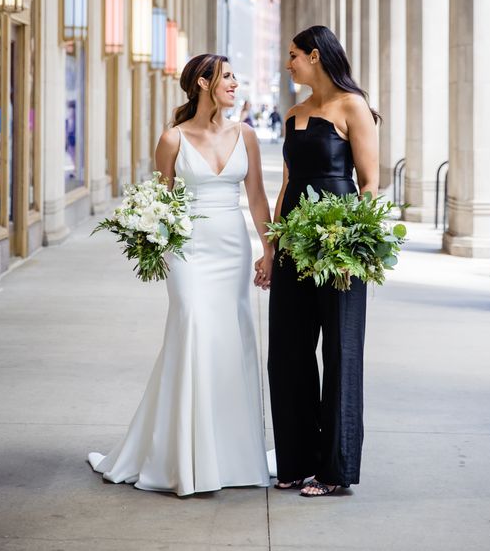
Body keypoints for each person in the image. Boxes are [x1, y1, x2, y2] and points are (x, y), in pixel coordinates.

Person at [88, 54, 275, 496]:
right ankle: (185, 457)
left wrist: (269, 250)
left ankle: (231, 455)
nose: (234, 82)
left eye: (234, 75)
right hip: (188, 251)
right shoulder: (172, 139)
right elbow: (158, 202)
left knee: (231, 337)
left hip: (231, 248)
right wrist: (152, 244)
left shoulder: (245, 134)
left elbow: (258, 200)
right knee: (191, 326)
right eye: (227, 76)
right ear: (204, 83)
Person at [260, 25, 379, 497]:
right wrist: (271, 247)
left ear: (314, 55)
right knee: (286, 354)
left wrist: (355, 246)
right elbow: (287, 187)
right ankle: (294, 461)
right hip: (292, 244)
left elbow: (369, 184)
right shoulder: (292, 115)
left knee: (341, 353)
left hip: (339, 247)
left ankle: (334, 470)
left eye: (292, 56)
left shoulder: (354, 108)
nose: (288, 64)